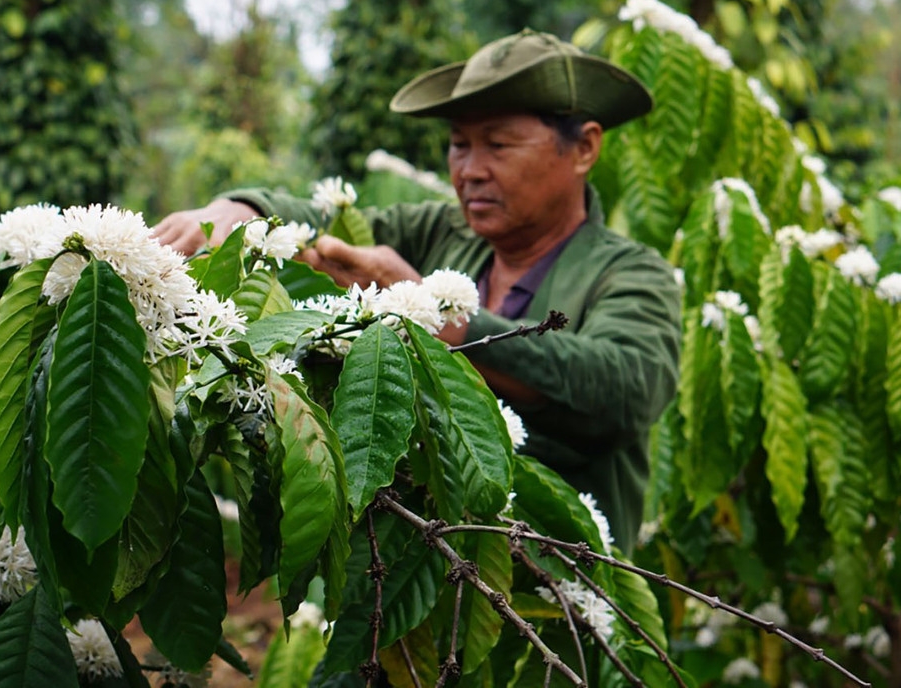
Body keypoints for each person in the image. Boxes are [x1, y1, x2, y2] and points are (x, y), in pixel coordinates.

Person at [155, 30, 681, 555]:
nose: (471, 170)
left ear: (584, 147)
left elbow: (624, 388)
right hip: (404, 573)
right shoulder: (442, 233)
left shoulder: (631, 274)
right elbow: (324, 222)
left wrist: (442, 318)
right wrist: (242, 211)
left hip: (551, 593)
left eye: (498, 145)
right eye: (459, 144)